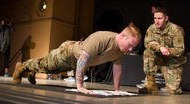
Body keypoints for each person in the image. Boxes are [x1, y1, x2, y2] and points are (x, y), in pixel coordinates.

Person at [12, 22, 141, 94]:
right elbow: (83, 58)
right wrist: (79, 85)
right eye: (130, 45)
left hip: (75, 61)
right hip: (68, 52)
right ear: (123, 36)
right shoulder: (103, 38)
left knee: (50, 70)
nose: (130, 49)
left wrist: (117, 90)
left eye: (133, 47)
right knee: (46, 65)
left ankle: (33, 70)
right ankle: (22, 66)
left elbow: (117, 69)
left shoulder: (119, 51)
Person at [139, 7, 186, 95]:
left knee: (173, 91)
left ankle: (176, 83)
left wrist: (167, 50)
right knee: (147, 52)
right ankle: (150, 84)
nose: (157, 21)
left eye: (160, 18)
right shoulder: (152, 28)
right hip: (158, 59)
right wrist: (160, 47)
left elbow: (180, 50)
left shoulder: (176, 30)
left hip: (171, 61)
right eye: (155, 18)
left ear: (166, 18)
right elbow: (147, 44)